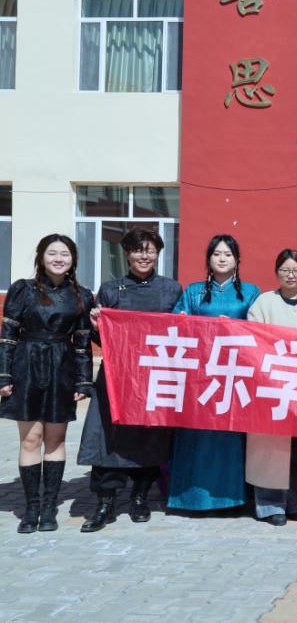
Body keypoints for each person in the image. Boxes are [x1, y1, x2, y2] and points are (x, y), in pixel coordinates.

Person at [78, 228, 182, 532]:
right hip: (116, 376)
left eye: (150, 250)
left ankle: (139, 497)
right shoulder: (111, 290)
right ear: (127, 254)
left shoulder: (171, 290)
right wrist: (96, 325)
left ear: (158, 254)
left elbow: (182, 333)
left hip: (153, 375)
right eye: (138, 250)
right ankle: (105, 503)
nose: (144, 256)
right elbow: (103, 338)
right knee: (106, 436)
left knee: (149, 438)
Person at [1, 234, 94, 533]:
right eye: (52, 253)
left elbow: (82, 343)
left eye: (64, 254)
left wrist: (83, 380)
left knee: (55, 440)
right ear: (41, 257)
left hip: (62, 366)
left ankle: (49, 507)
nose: (58, 258)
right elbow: (7, 336)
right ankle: (31, 508)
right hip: (26, 364)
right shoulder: (22, 290)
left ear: (73, 259)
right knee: (31, 439)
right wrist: (4, 375)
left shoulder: (82, 295)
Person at [168, 234, 260, 513]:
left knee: (230, 436)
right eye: (216, 254)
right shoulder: (193, 291)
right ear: (208, 259)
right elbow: (176, 324)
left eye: (228, 254)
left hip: (234, 373)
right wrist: (184, 322)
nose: (222, 259)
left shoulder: (251, 292)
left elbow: (259, 330)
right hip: (199, 374)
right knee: (196, 433)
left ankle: (233, 499)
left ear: (237, 260)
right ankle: (191, 499)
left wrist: (234, 327)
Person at [245, 249, 297, 527]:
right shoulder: (263, 302)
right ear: (277, 272)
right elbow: (252, 338)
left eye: (296, 270)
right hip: (271, 385)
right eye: (285, 270)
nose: (291, 275)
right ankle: (269, 504)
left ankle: (293, 500)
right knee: (269, 447)